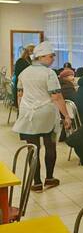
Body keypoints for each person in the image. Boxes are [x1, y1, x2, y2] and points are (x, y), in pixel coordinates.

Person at [12, 41, 72, 192]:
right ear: (41, 57)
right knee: (50, 146)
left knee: (32, 149)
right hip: (46, 114)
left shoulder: (24, 73)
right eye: (51, 56)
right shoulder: (49, 73)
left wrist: (22, 112)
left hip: (28, 114)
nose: (53, 59)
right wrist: (66, 116)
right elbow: (57, 97)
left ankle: (37, 182)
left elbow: (20, 95)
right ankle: (49, 179)